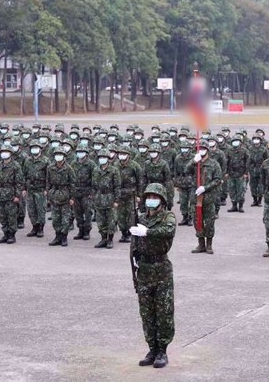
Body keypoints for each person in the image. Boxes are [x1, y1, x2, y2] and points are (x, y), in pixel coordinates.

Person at [130, 183, 176, 369]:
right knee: (147, 313)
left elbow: (168, 231)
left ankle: (162, 350)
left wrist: (147, 232)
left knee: (163, 313)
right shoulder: (140, 218)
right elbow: (134, 244)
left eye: (155, 197)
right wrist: (134, 260)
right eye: (149, 197)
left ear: (162, 201)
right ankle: (152, 348)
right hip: (144, 269)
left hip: (161, 270)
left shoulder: (168, 217)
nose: (151, 200)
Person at [187, 140, 222, 254]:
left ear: (207, 150)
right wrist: (193, 162)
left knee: (209, 222)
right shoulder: (195, 162)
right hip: (196, 197)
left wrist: (205, 187)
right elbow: (184, 170)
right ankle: (200, 244)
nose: (201, 151)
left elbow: (217, 180)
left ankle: (209, 244)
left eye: (203, 149)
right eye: (199, 149)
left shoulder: (213, 164)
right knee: (197, 221)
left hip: (208, 197)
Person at [0, 145, 24, 244]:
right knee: (2, 216)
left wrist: (17, 196)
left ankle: (11, 235)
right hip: (0, 194)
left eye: (6, 151)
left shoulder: (15, 166)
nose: (4, 153)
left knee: (11, 216)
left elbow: (19, 182)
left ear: (11, 153)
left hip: (11, 194)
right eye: (3, 151)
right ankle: (5, 233)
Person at [46, 147, 76, 247]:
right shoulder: (50, 168)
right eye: (56, 154)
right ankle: (57, 236)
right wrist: (49, 194)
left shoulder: (68, 168)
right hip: (54, 194)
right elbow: (48, 182)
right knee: (55, 218)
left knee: (65, 218)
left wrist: (72, 198)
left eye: (60, 154)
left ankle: (64, 237)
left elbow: (72, 184)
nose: (58, 157)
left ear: (64, 156)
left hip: (65, 195)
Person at [92, 148, 121, 249]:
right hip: (99, 198)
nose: (102, 159)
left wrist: (117, 200)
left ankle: (110, 239)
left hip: (110, 197)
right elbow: (93, 185)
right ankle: (103, 238)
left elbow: (117, 186)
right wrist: (94, 197)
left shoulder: (114, 170)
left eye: (104, 157)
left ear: (108, 159)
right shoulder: (96, 170)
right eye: (100, 157)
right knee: (101, 220)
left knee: (111, 220)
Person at [116, 145, 143, 242]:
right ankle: (123, 233)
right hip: (119, 194)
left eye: (124, 154)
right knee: (120, 216)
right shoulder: (116, 165)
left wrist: (139, 195)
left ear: (128, 155)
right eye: (120, 154)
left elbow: (140, 180)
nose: (121, 156)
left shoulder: (134, 166)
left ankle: (130, 233)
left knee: (131, 215)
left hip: (131, 195)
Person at [23, 140, 49, 238]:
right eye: (33, 148)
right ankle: (34, 227)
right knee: (31, 210)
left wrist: (47, 189)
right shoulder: (27, 161)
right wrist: (24, 188)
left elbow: (48, 176)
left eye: (36, 147)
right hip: (30, 189)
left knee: (41, 209)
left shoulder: (46, 161)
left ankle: (41, 228)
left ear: (40, 149)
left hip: (41, 189)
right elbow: (24, 175)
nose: (34, 149)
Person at [226, 134, 249, 213]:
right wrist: (226, 172)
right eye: (234, 141)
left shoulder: (244, 151)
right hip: (231, 174)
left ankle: (241, 206)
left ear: (240, 142)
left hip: (241, 174)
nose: (235, 142)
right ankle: (234, 205)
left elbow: (247, 162)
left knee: (241, 190)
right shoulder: (229, 150)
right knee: (232, 190)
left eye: (237, 141)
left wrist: (246, 173)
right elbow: (227, 162)